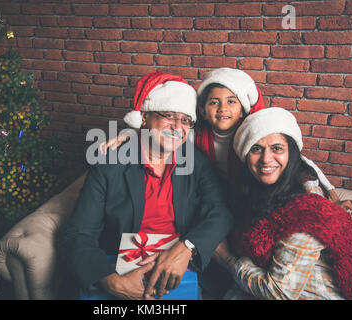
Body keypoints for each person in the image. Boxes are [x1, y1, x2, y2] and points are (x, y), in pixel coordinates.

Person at [60, 72, 233, 300]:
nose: (177, 127)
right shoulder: (110, 163)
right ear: (144, 118)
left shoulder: (196, 162)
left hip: (178, 273)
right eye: (168, 116)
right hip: (119, 269)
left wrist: (185, 249)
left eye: (185, 120)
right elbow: (78, 233)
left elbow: (220, 213)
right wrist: (113, 283)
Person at [101, 68, 352, 217]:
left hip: (246, 198)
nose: (223, 108)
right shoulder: (193, 133)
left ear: (243, 110)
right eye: (214, 102)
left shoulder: (255, 135)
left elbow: (303, 165)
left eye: (231, 102)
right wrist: (129, 134)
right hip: (210, 198)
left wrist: (333, 199)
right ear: (202, 111)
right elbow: (165, 135)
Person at [213, 107, 352, 300]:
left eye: (277, 148)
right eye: (256, 149)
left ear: (291, 154)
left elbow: (279, 292)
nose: (266, 159)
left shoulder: (307, 210)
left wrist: (226, 258)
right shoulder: (255, 193)